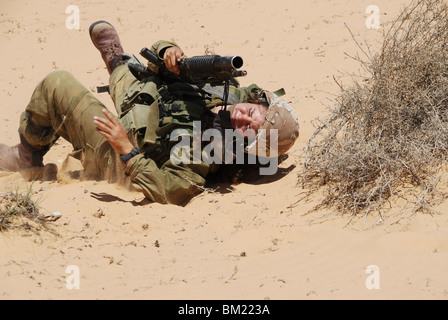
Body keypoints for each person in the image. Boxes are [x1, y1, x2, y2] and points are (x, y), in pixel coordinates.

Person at [0, 21, 299, 206]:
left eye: (248, 129)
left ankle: (27, 157)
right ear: (256, 101)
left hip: (121, 147)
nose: (240, 118)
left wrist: (126, 150)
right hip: (147, 103)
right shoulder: (227, 89)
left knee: (57, 83)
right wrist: (170, 51)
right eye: (249, 112)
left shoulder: (205, 154)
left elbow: (168, 189)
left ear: (244, 148)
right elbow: (165, 59)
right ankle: (116, 60)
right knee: (137, 71)